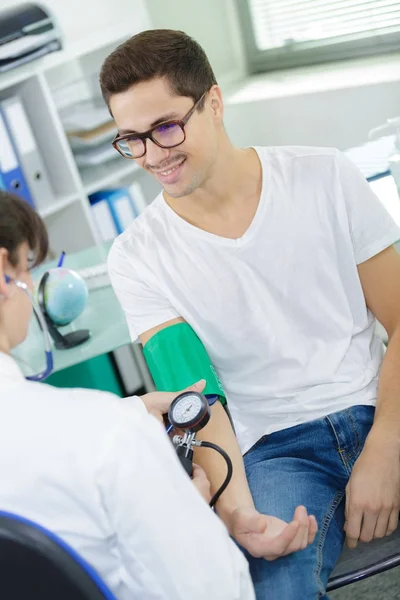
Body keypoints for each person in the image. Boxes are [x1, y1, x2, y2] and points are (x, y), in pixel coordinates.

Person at [101, 29, 400, 600]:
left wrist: (387, 444)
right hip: (275, 448)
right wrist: (237, 513)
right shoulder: (136, 257)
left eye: (166, 127)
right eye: (132, 140)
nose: (152, 155)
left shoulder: (324, 177)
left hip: (379, 400)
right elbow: (196, 397)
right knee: (267, 584)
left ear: (213, 102)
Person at [0, 189, 269, 600]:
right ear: (4, 273)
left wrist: (128, 411)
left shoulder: (104, 429)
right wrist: (189, 516)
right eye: (27, 267)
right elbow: (210, 589)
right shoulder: (109, 437)